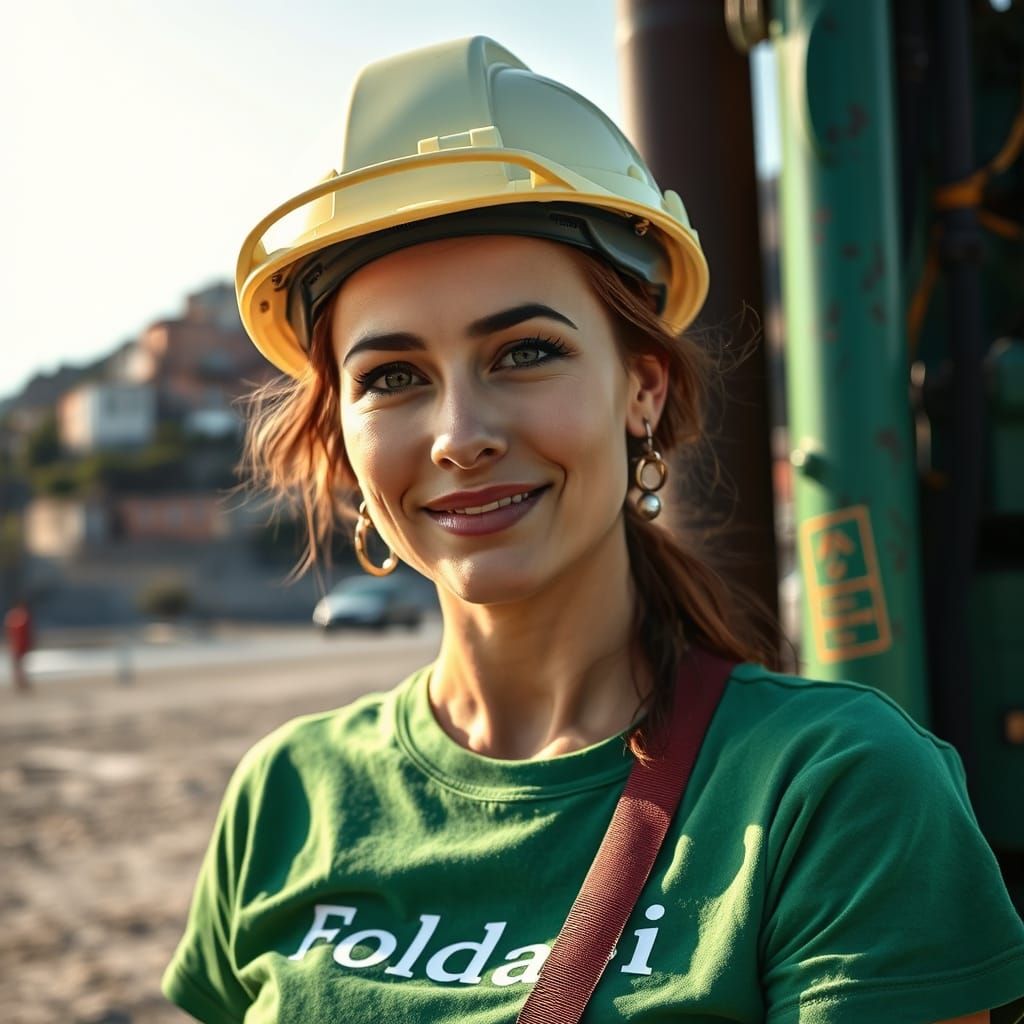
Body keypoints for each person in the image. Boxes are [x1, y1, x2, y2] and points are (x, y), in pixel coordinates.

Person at [163, 36, 1024, 1024]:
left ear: (642, 389)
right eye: (392, 376)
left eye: (524, 352)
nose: (459, 437)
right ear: (341, 434)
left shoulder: (833, 789)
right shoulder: (286, 798)